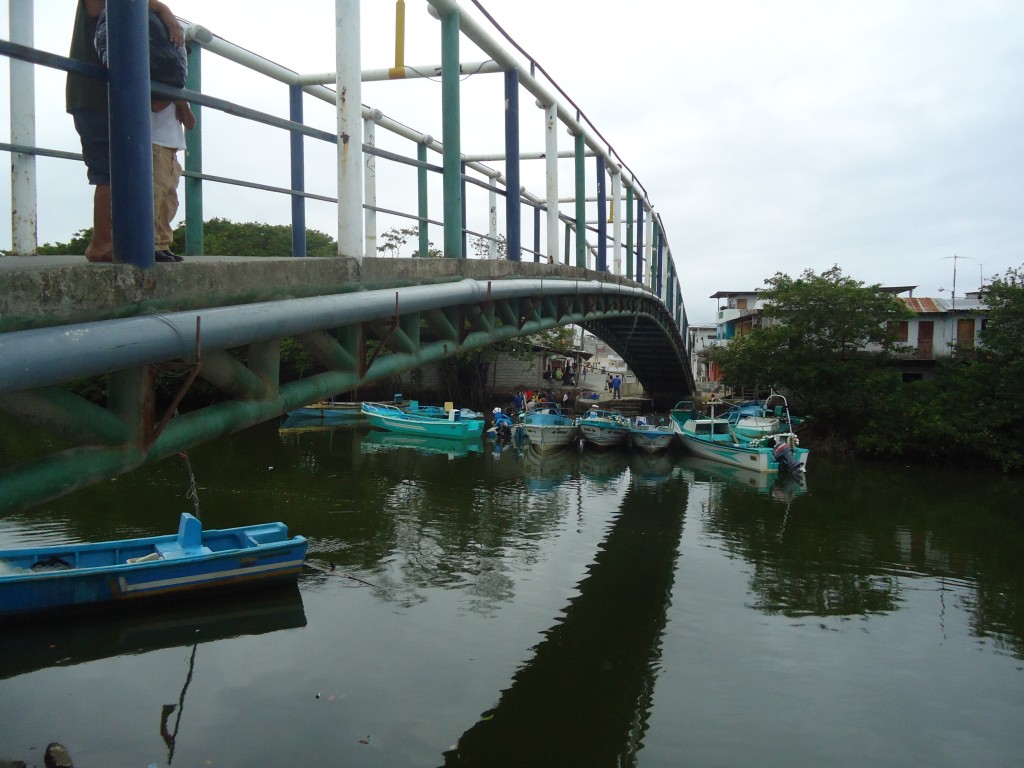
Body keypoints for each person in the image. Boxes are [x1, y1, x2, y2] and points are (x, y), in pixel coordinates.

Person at [67, 0, 183, 263]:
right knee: (109, 172)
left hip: (108, 96)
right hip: (97, 95)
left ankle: (113, 242)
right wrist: (164, 10)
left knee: (116, 172)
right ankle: (104, 244)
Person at [151, 97, 194, 262]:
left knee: (169, 202)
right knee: (155, 198)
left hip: (172, 153)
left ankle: (163, 244)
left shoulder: (179, 96)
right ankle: (152, 244)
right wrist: (172, 96)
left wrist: (182, 101)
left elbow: (190, 123)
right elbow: (155, 106)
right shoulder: (157, 87)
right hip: (156, 146)